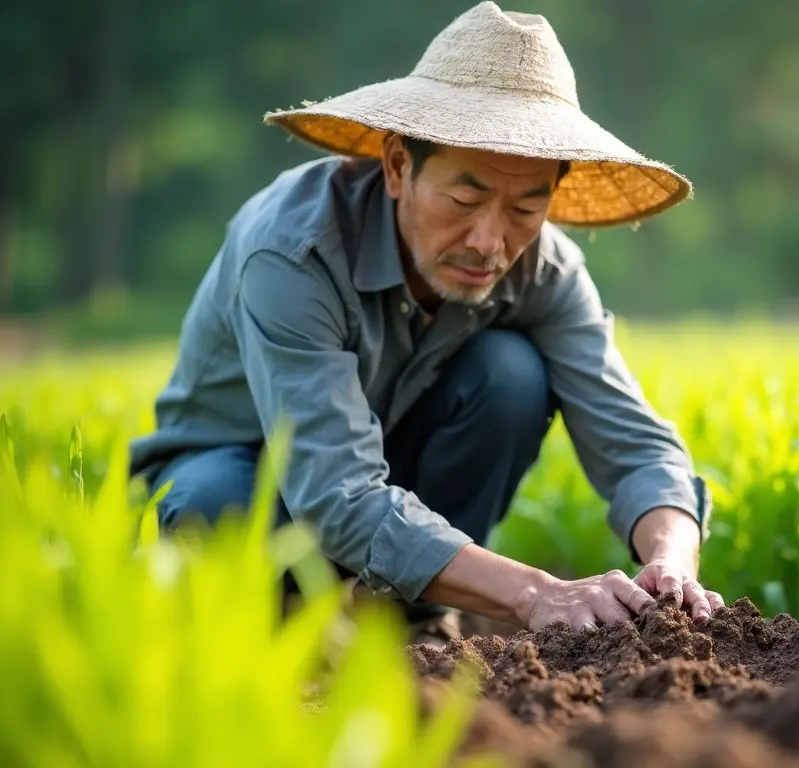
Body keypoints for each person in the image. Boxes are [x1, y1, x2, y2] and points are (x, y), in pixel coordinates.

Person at [129, 1, 722, 648]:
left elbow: (633, 438)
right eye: (465, 199)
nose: (490, 242)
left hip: (388, 490)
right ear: (396, 167)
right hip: (251, 479)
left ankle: (411, 622)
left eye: (526, 207)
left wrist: (672, 561)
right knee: (216, 505)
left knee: (512, 375)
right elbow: (336, 494)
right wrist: (534, 591)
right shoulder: (294, 251)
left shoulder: (544, 269)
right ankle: (270, 631)